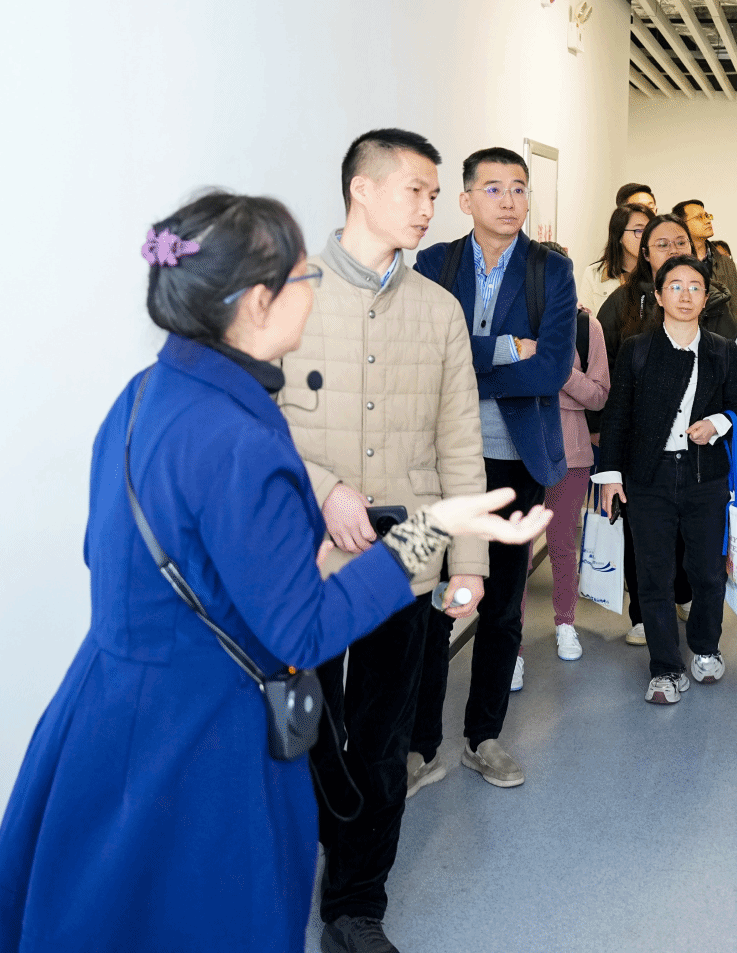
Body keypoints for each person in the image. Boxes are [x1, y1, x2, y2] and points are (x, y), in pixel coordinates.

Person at [0, 192, 547, 953]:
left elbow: (106, 552)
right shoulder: (242, 437)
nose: (315, 287)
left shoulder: (142, 395)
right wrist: (430, 529)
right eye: (304, 275)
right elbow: (304, 630)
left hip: (107, 707)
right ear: (256, 304)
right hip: (203, 734)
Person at [275, 129, 488, 953]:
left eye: (435, 193)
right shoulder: (288, 293)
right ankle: (302, 858)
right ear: (361, 189)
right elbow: (254, 423)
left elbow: (460, 443)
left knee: (383, 738)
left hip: (406, 559)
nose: (430, 206)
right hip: (304, 560)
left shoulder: (438, 310)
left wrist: (470, 564)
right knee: (301, 730)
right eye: (416, 189)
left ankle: (356, 906)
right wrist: (324, 486)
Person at [414, 146, 576, 789]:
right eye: (493, 188)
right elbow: (423, 355)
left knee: (503, 606)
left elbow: (552, 369)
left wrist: (463, 366)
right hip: (437, 462)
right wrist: (506, 348)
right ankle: (420, 746)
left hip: (514, 459)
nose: (509, 201)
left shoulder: (551, 270)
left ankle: (483, 737)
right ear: (465, 199)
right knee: (433, 603)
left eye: (519, 188)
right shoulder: (434, 263)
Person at [593, 255, 737, 704]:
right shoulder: (637, 349)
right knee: (654, 576)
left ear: (706, 296)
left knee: (707, 572)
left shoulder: (722, 349)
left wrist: (717, 422)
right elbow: (617, 416)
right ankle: (664, 667)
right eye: (675, 286)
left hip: (705, 477)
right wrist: (611, 476)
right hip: (649, 478)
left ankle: (705, 647)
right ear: (659, 296)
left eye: (695, 287)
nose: (685, 295)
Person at [595, 213, 699, 644]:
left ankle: (683, 593)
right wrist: (604, 436)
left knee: (689, 529)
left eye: (681, 242)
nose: (673, 249)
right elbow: (604, 371)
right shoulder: (622, 303)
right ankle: (642, 613)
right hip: (640, 445)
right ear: (644, 252)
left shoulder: (711, 296)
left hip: (696, 441)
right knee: (641, 530)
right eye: (662, 244)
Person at [539, 240, 609, 660]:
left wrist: (560, 372)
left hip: (571, 452)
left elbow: (599, 395)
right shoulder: (509, 323)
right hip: (512, 451)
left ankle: (566, 623)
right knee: (510, 552)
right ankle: (512, 645)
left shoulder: (586, 326)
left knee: (562, 544)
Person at [672, 198, 737, 335]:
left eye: (707, 216)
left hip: (722, 336)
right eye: (699, 217)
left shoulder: (725, 262)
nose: (707, 221)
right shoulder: (675, 262)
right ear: (682, 225)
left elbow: (736, 309)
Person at [577, 202, 649, 312]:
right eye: (639, 231)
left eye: (649, 231)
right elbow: (587, 320)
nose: (646, 237)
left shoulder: (660, 273)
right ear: (619, 235)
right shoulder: (594, 274)